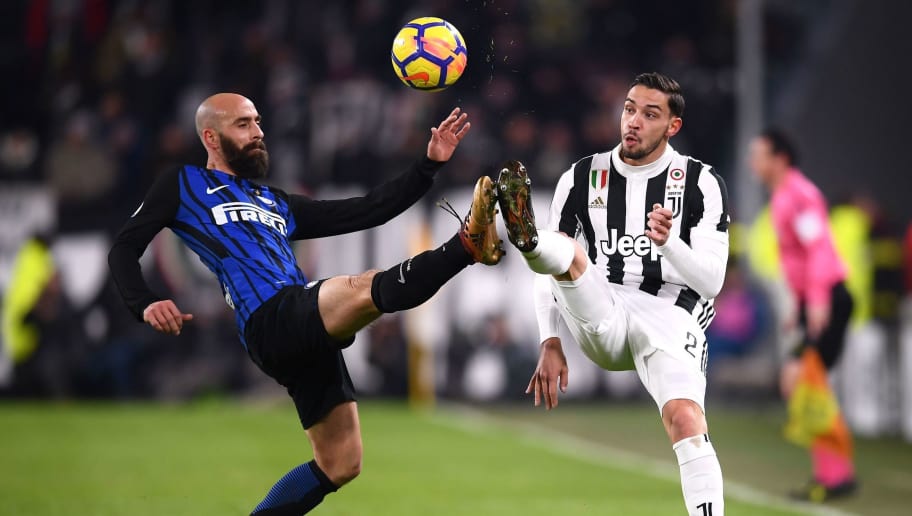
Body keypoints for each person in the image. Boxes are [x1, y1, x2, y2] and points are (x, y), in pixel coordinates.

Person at [107, 93, 504, 515]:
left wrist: (428, 165)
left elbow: (368, 210)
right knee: (362, 286)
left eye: (257, 121)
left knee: (341, 463)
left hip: (302, 327)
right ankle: (466, 246)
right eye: (243, 124)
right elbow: (124, 248)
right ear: (210, 137)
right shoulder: (183, 184)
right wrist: (144, 303)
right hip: (269, 317)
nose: (258, 132)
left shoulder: (275, 201)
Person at [496, 72, 728, 516]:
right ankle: (529, 240)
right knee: (568, 253)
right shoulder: (581, 177)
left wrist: (670, 243)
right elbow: (554, 273)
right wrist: (549, 339)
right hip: (605, 305)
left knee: (686, 421)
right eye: (629, 109)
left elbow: (713, 282)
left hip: (670, 315)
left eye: (650, 114)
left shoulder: (701, 182)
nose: (634, 121)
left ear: (673, 126)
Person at [748, 128, 857, 502]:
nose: (752, 162)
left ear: (779, 159)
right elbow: (798, 259)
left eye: (759, 155)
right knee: (806, 384)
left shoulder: (800, 195)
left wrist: (817, 300)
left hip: (829, 298)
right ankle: (832, 474)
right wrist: (799, 305)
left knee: (802, 380)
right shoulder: (783, 196)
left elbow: (819, 249)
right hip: (814, 300)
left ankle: (836, 474)